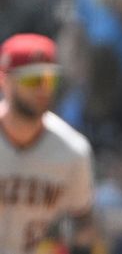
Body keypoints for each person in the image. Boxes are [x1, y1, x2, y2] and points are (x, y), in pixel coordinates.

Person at [0, 33, 98, 254]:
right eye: (32, 79)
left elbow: (82, 223)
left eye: (49, 79)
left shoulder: (72, 150)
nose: (42, 88)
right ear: (4, 79)